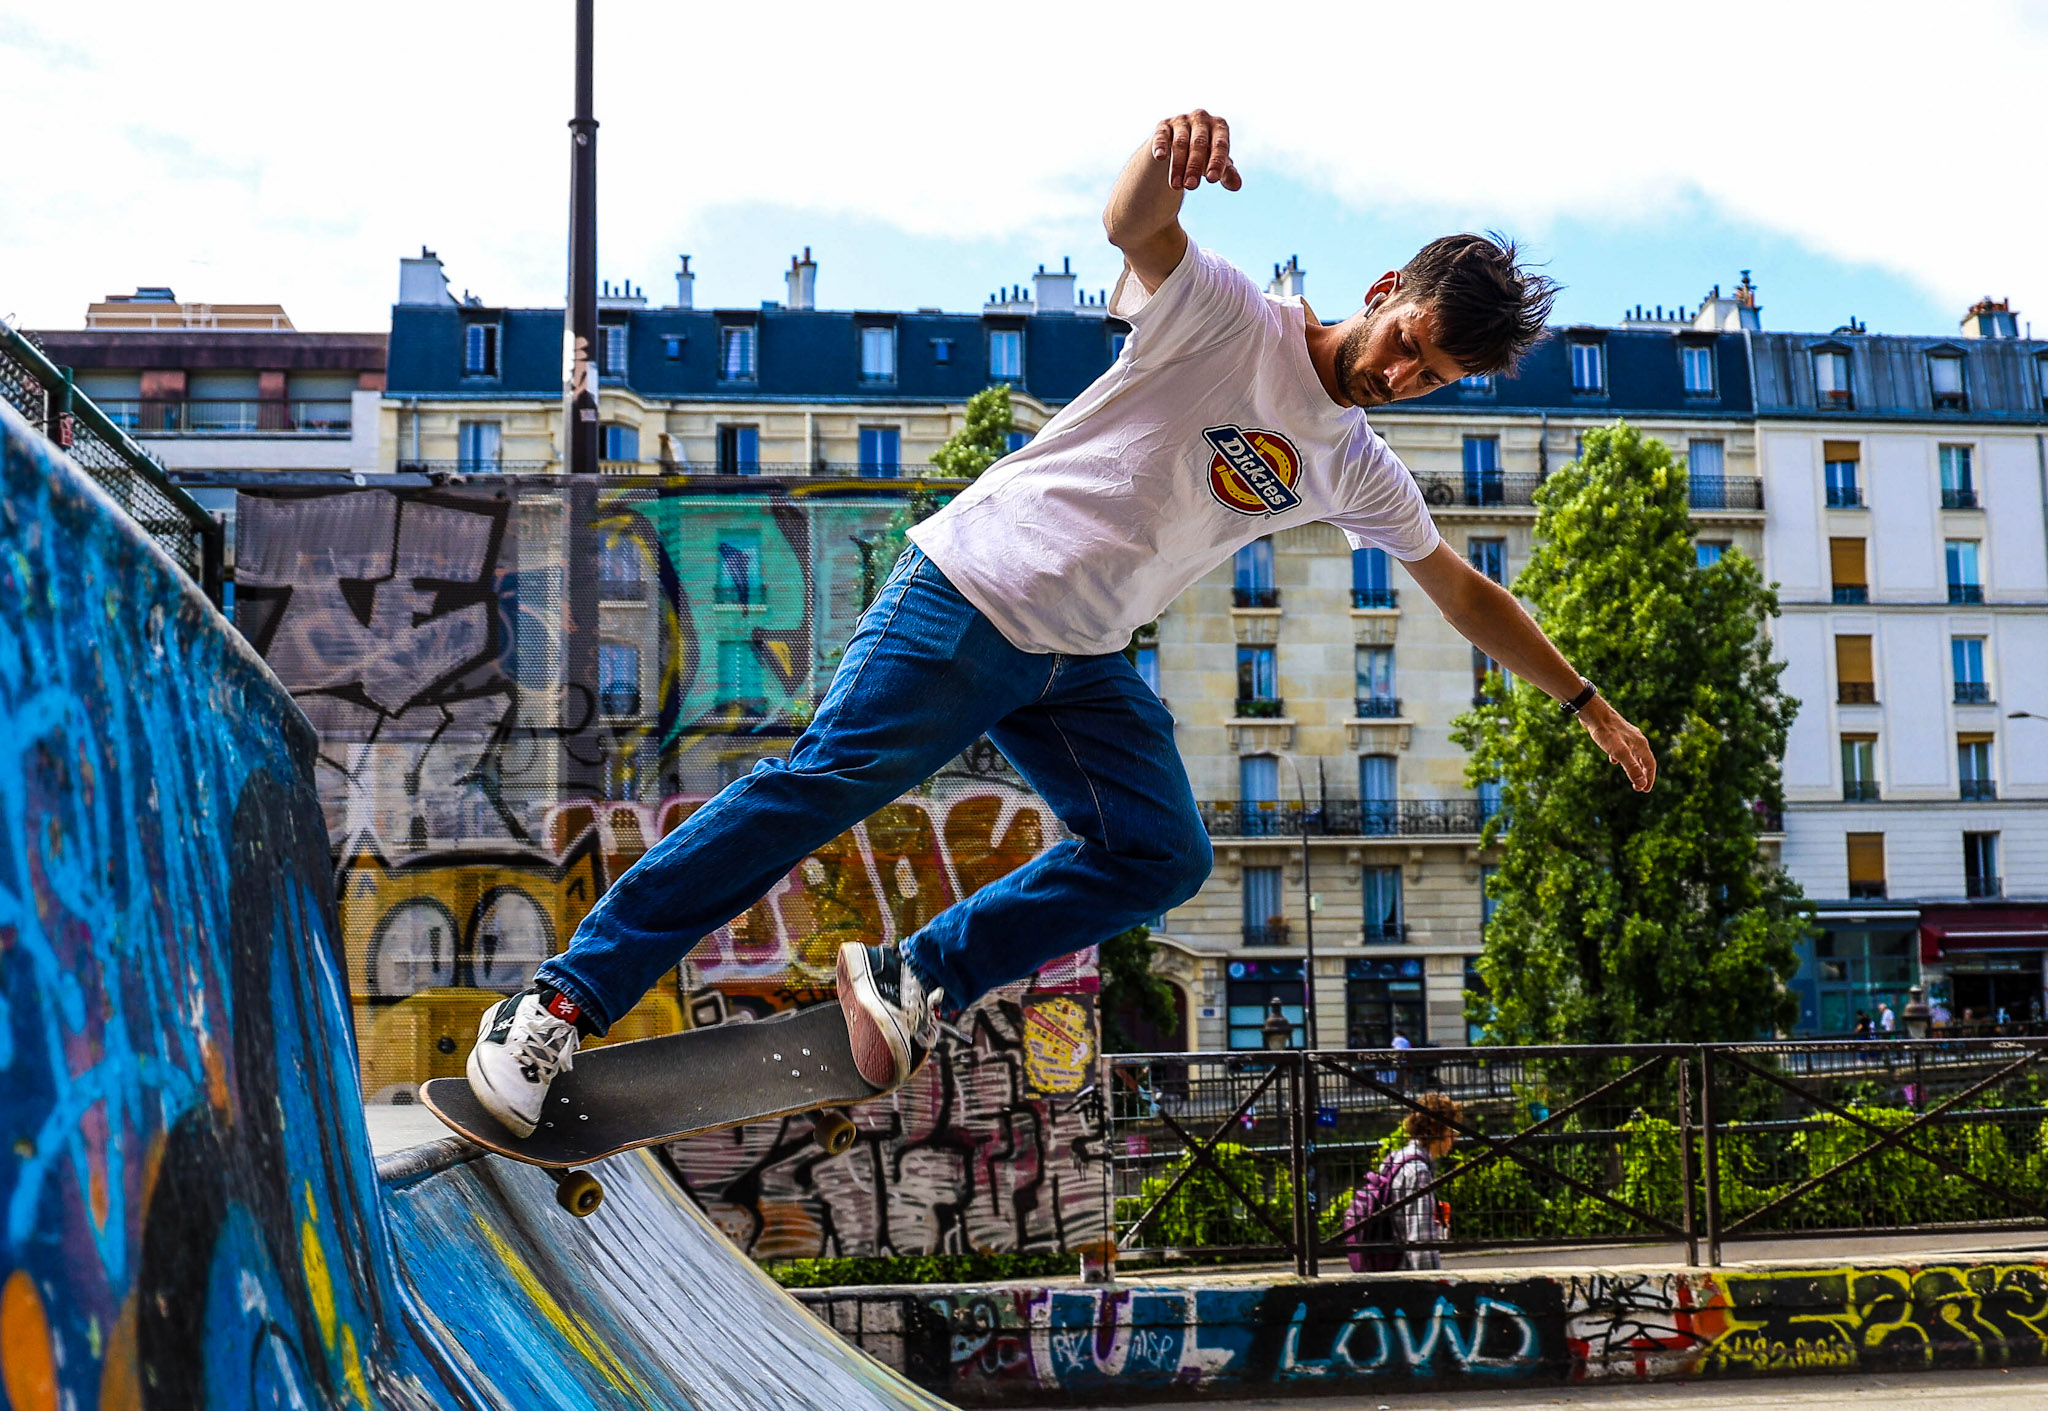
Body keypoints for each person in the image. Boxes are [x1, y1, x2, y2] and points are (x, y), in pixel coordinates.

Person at [464, 108, 1658, 1137]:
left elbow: (1459, 587)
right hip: (970, 592)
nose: (1401, 379)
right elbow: (1136, 229)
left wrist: (1586, 702)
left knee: (1161, 852)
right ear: (1384, 293)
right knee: (814, 788)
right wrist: (1163, 145)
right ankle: (557, 1004)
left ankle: (910, 974)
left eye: (1433, 379)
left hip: (1079, 661)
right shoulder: (1230, 316)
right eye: (1409, 348)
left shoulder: (1354, 466)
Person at [1387, 1092, 1463, 1270]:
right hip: (1406, 1275)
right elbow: (1420, 1241)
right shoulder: (1419, 1172)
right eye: (1451, 1130)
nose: (1455, 1138)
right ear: (1436, 1131)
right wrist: (1433, 1285)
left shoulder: (1397, 1158)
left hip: (1390, 1266)